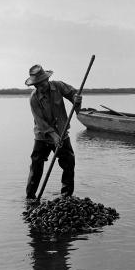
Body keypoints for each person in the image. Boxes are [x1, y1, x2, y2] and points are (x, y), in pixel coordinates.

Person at [25, 64, 82, 199]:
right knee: (36, 165)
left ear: (47, 80)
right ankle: (30, 196)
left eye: (41, 83)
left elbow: (73, 94)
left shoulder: (58, 86)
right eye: (36, 85)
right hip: (43, 135)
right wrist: (53, 135)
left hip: (62, 132)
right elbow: (40, 122)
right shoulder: (33, 98)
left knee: (69, 161)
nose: (39, 87)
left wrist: (76, 99)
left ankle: (66, 195)